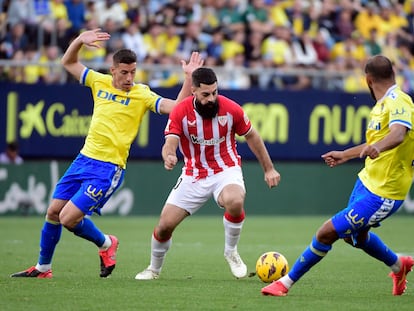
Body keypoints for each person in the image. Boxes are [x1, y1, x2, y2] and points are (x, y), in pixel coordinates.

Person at [10, 28, 203, 278]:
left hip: (108, 168)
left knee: (68, 218)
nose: (129, 77)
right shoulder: (98, 81)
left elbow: (176, 107)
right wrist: (79, 40)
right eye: (124, 72)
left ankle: (106, 243)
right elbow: (67, 62)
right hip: (83, 160)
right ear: (113, 70)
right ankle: (43, 268)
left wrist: (188, 78)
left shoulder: (141, 94)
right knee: (53, 213)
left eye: (133, 72)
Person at [262, 55, 414, 297]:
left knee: (326, 233)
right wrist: (346, 154)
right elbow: (373, 143)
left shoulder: (400, 100)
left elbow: (397, 135)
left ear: (368, 80)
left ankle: (285, 283)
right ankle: (399, 264)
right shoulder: (382, 105)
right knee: (355, 237)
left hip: (384, 192)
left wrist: (378, 147)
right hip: (366, 181)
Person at [135, 67, 281, 280]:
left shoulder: (231, 109)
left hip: (226, 170)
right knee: (164, 226)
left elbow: (253, 136)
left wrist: (269, 168)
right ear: (193, 90)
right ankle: (154, 269)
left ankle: (231, 251)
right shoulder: (180, 111)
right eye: (205, 94)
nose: (211, 98)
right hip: (193, 174)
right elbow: (170, 142)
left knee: (235, 200)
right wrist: (169, 155)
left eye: (214, 92)